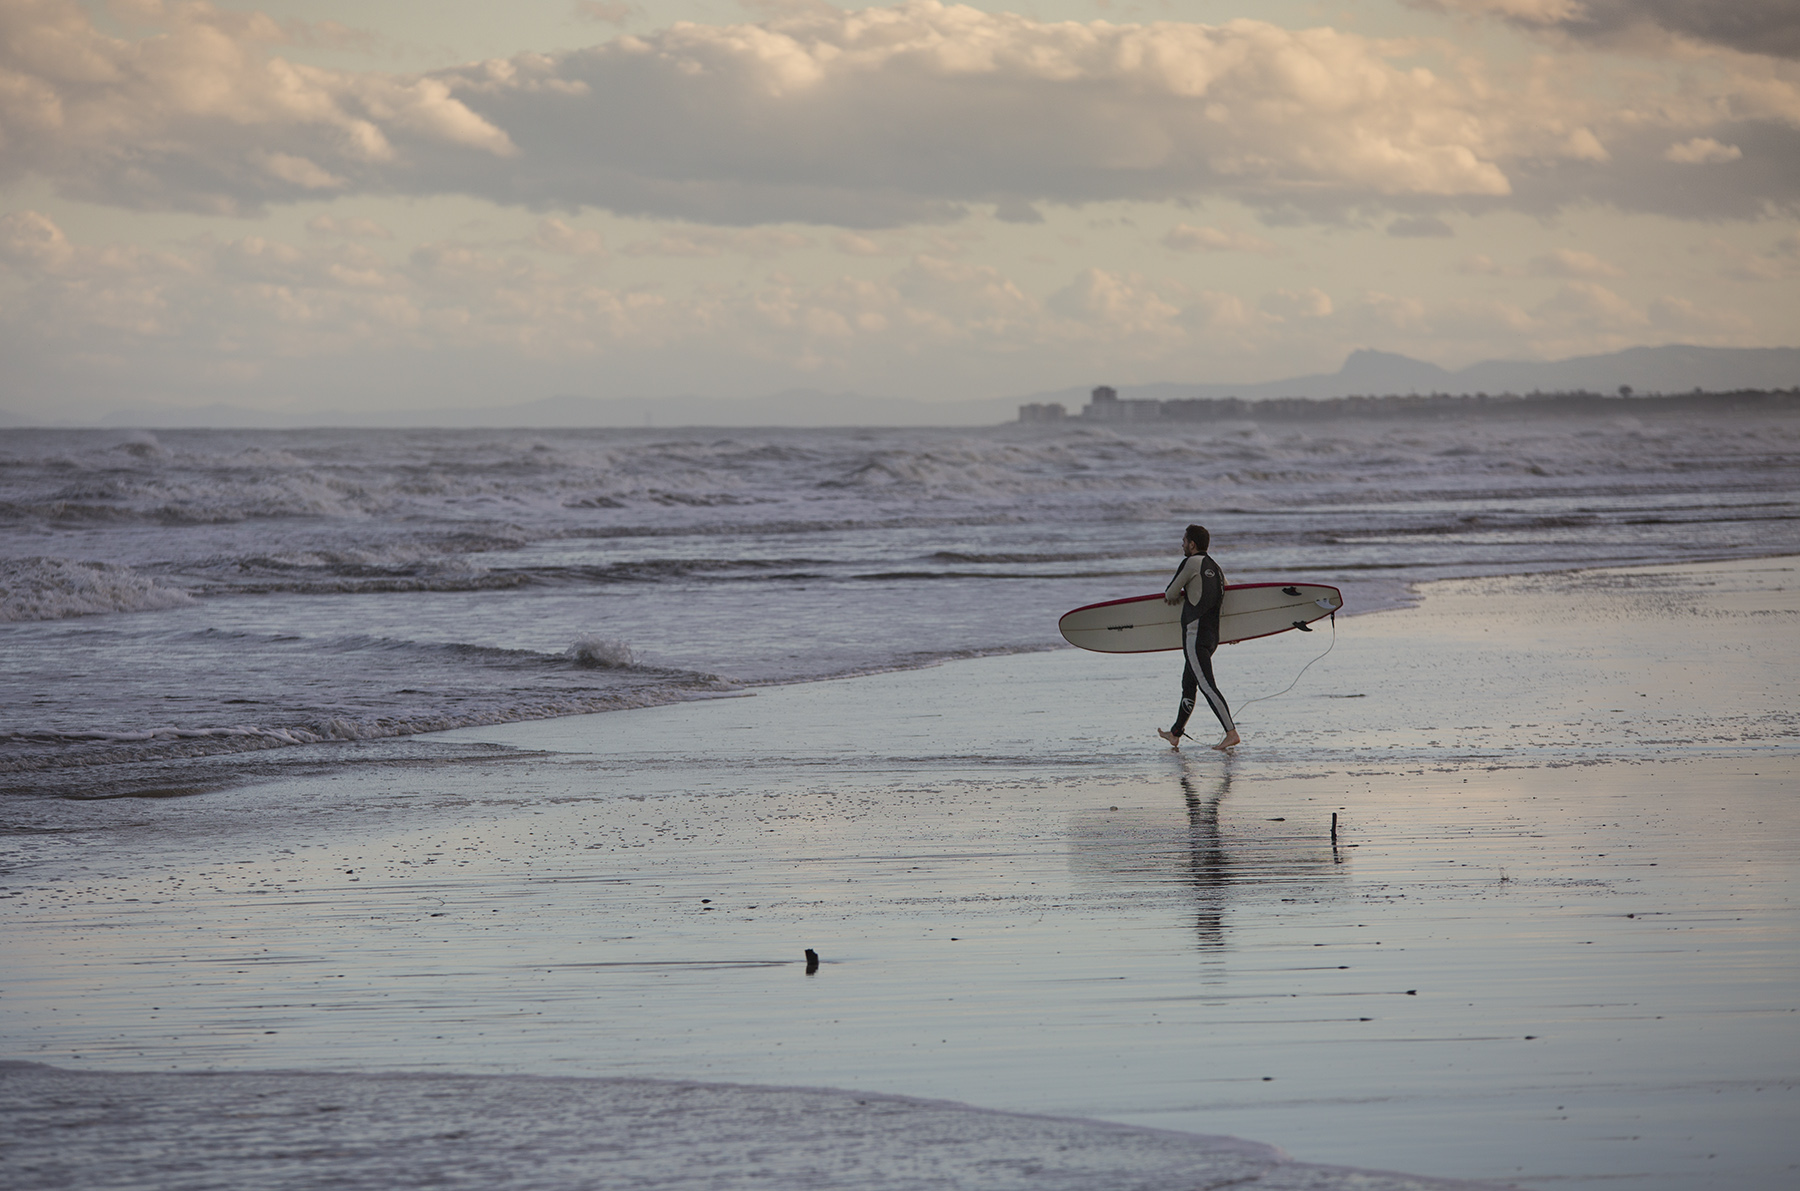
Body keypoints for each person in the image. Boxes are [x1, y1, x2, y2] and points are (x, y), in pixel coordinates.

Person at [1156, 524, 1239, 751]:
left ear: (1192, 544)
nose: (1182, 544)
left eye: (1184, 540)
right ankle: (1175, 734)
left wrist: (1178, 596)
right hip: (1212, 636)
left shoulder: (1190, 563)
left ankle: (1231, 733)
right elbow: (1228, 596)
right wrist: (1235, 632)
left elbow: (1170, 593)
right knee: (1188, 685)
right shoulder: (1217, 568)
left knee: (1206, 685)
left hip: (1194, 635)